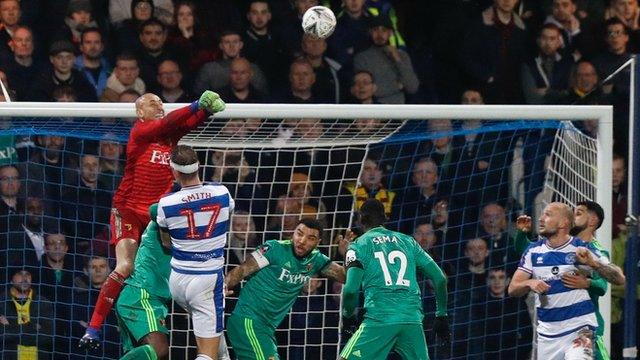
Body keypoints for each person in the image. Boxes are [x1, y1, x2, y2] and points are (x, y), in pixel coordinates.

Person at [78, 91, 226, 349]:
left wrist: (206, 111)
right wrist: (196, 104)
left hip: (156, 215)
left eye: (161, 102)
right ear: (139, 112)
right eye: (152, 102)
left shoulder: (170, 137)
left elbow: (186, 124)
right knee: (125, 266)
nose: (159, 105)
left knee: (171, 261)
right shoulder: (141, 132)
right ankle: (93, 328)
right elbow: (170, 122)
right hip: (126, 210)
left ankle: (165, 314)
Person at [339, 199, 450, 360]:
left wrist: (348, 317)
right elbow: (440, 279)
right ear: (385, 218)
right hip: (412, 320)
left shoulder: (357, 246)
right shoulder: (408, 241)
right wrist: (441, 315)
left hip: (379, 319)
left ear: (360, 220)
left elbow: (350, 291)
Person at [515, 201, 625, 360]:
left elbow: (603, 286)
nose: (573, 215)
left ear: (593, 221)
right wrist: (521, 234)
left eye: (579, 213)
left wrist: (587, 283)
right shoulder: (560, 243)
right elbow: (528, 252)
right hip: (555, 327)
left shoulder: (595, 250)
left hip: (583, 324)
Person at [224, 218, 346, 360]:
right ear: (293, 233)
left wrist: (347, 255)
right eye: (299, 234)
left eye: (310, 238)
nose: (302, 240)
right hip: (248, 321)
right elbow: (242, 270)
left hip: (267, 329)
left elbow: (346, 277)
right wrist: (223, 288)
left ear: (318, 243)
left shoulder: (316, 260)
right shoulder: (274, 249)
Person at [156, 145, 234, 360]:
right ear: (198, 166)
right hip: (207, 280)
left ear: (174, 171)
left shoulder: (166, 204)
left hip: (178, 280)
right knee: (208, 354)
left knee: (218, 343)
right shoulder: (222, 193)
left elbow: (166, 242)